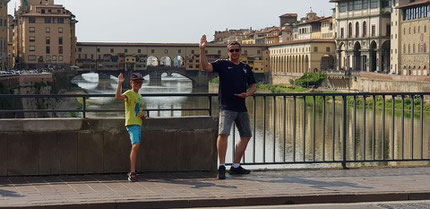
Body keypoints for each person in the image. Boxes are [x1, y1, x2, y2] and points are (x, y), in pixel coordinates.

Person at [199, 35, 257, 180]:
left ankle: (236, 166)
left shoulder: (245, 68)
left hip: (241, 107)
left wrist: (247, 94)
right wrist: (202, 50)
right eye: (232, 50)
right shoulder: (223, 64)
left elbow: (253, 86)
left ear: (240, 52)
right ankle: (222, 166)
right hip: (226, 107)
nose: (235, 52)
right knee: (223, 134)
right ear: (228, 52)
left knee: (246, 135)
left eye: (237, 50)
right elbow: (206, 67)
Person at [115, 72, 146, 182]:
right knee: (135, 145)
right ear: (131, 83)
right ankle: (132, 172)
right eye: (136, 82)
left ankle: (133, 171)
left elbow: (138, 110)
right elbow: (118, 97)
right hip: (131, 123)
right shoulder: (129, 93)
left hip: (138, 123)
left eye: (140, 82)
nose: (138, 84)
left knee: (136, 146)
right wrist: (119, 84)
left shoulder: (140, 97)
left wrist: (142, 116)